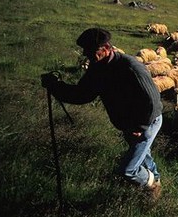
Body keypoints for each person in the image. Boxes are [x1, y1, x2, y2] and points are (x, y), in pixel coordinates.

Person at [41, 28, 163, 199]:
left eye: (91, 51)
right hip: (129, 123)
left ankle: (152, 186)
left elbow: (151, 100)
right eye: (86, 51)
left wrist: (140, 126)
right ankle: (155, 177)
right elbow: (82, 94)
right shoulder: (97, 68)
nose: (87, 55)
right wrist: (56, 87)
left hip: (147, 122)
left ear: (106, 48)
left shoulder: (130, 67)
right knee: (142, 153)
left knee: (127, 170)